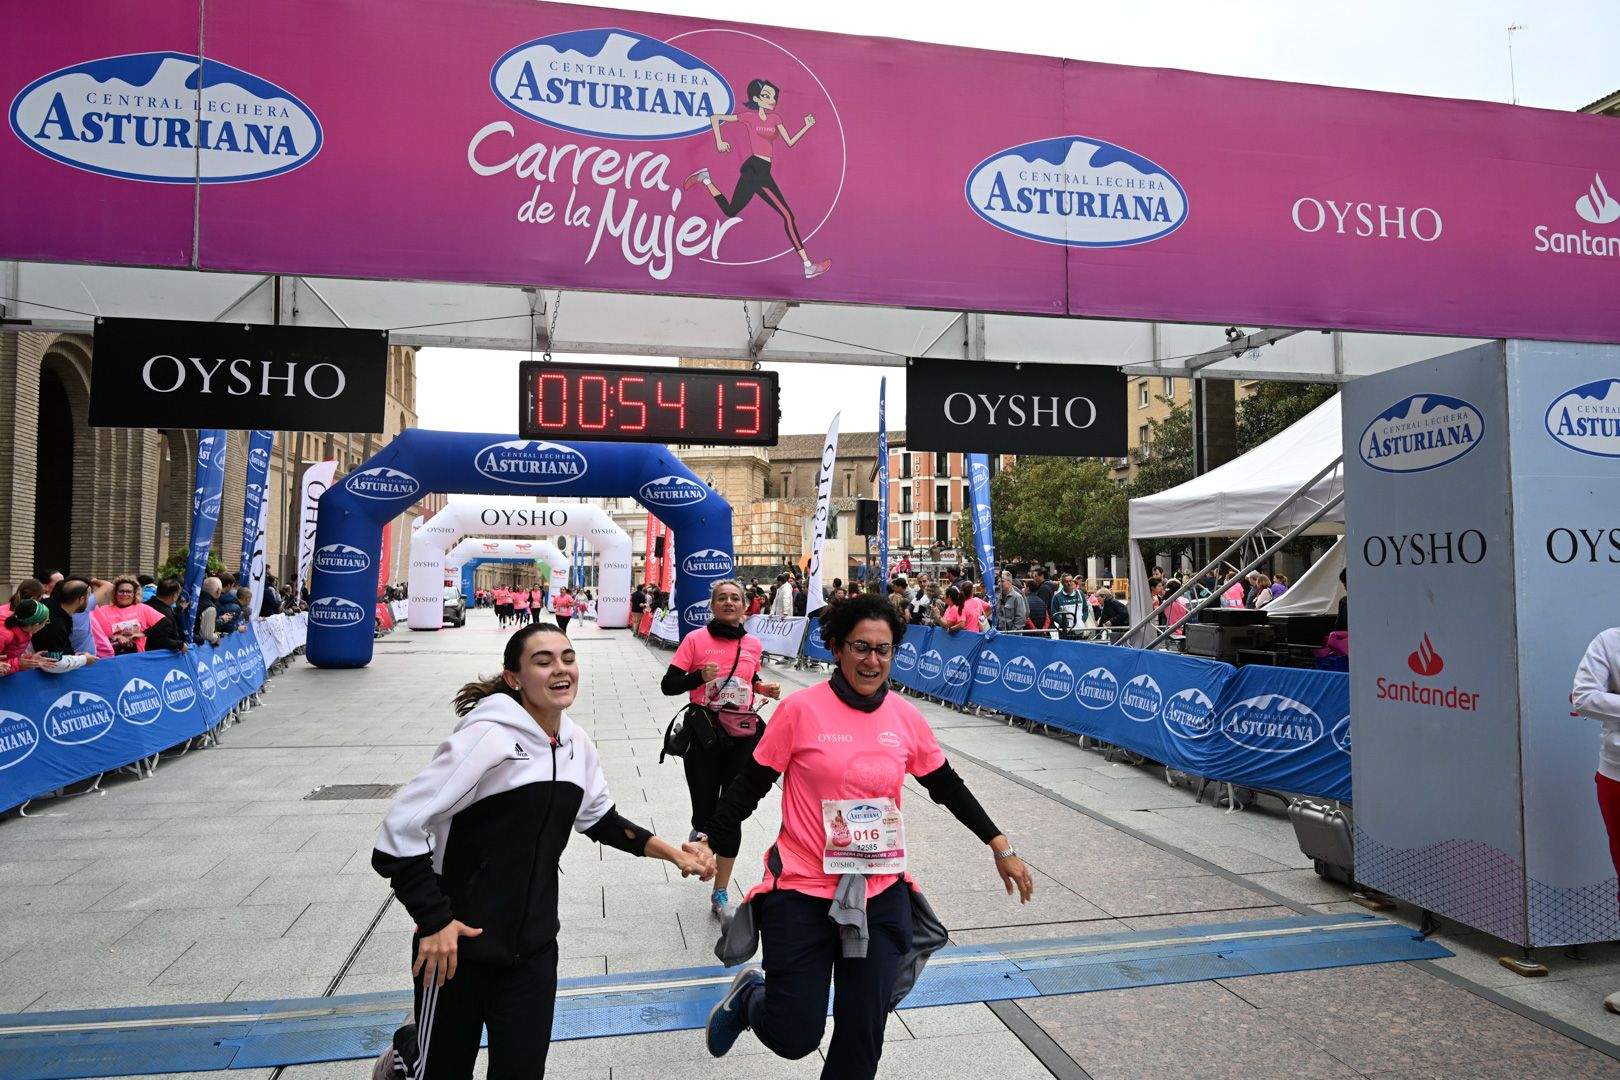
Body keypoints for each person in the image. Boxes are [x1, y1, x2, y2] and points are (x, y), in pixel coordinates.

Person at [695, 595, 1033, 1078]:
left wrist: (1000, 845)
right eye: (861, 647)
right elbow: (749, 784)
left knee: (861, 1036)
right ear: (836, 647)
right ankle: (751, 999)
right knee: (795, 1035)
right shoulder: (800, 711)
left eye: (884, 649)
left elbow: (945, 785)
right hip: (802, 890)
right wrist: (710, 838)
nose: (873, 661)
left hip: (878, 890)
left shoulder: (904, 717)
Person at [371, 622, 714, 1079]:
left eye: (568, 658)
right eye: (543, 660)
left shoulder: (576, 744)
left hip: (533, 949)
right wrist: (434, 920)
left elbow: (600, 819)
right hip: (458, 951)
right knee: (441, 1072)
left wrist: (675, 854)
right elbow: (397, 834)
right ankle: (408, 1053)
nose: (561, 669)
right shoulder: (486, 739)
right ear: (514, 677)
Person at [662, 579, 782, 920]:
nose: (729, 603)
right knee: (705, 812)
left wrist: (763, 688)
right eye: (722, 598)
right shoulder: (695, 640)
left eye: (735, 598)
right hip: (704, 735)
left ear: (745, 606)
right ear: (712, 606)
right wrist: (698, 676)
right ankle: (702, 828)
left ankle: (721, 893)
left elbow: (748, 681)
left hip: (742, 734)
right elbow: (668, 685)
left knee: (731, 813)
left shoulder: (753, 644)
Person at [683, 78, 831, 280]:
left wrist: (806, 126)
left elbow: (789, 142)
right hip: (756, 169)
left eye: (773, 97)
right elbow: (716, 118)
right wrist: (719, 141)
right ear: (756, 98)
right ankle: (807, 265)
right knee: (788, 215)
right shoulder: (749, 117)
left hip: (761, 170)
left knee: (730, 210)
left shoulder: (776, 118)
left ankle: (706, 179)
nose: (772, 100)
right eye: (766, 96)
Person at [90, 576, 166, 657]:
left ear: (134, 594)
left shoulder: (143, 608)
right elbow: (94, 633)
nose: (125, 594)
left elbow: (166, 624)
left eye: (129, 591)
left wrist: (143, 634)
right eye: (121, 591)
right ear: (115, 593)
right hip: (111, 658)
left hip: (137, 658)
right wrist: (115, 637)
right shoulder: (103, 610)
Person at [0, 600, 52, 674]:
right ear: (36, 625)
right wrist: (19, 664)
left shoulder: (17, 620)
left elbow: (10, 653)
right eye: (46, 621)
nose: (45, 624)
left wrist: (29, 659)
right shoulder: (4, 635)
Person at [143, 578, 188, 652]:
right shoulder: (166, 614)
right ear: (174, 596)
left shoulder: (144, 606)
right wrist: (180, 645)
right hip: (157, 657)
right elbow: (160, 639)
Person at [195, 577, 223, 644]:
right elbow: (207, 636)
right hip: (197, 648)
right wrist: (216, 637)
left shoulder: (195, 599)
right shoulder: (210, 608)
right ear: (218, 590)